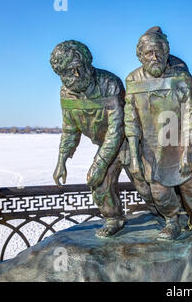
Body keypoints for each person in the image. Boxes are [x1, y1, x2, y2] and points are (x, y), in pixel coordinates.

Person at [50, 40, 157, 238]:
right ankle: (113, 218)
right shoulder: (66, 93)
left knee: (145, 183)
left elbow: (117, 129)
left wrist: (99, 163)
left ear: (80, 68)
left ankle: (166, 215)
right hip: (106, 145)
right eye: (63, 75)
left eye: (72, 72)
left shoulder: (109, 83)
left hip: (129, 142)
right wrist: (62, 160)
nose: (68, 80)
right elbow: (70, 129)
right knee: (98, 182)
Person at [124, 26, 192, 240]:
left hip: (182, 142)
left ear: (167, 53)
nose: (155, 57)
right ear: (140, 56)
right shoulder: (132, 81)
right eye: (148, 53)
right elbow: (130, 119)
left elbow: (190, 114)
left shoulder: (181, 77)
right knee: (160, 192)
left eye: (159, 52)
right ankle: (171, 222)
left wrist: (186, 152)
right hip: (152, 148)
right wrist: (134, 156)